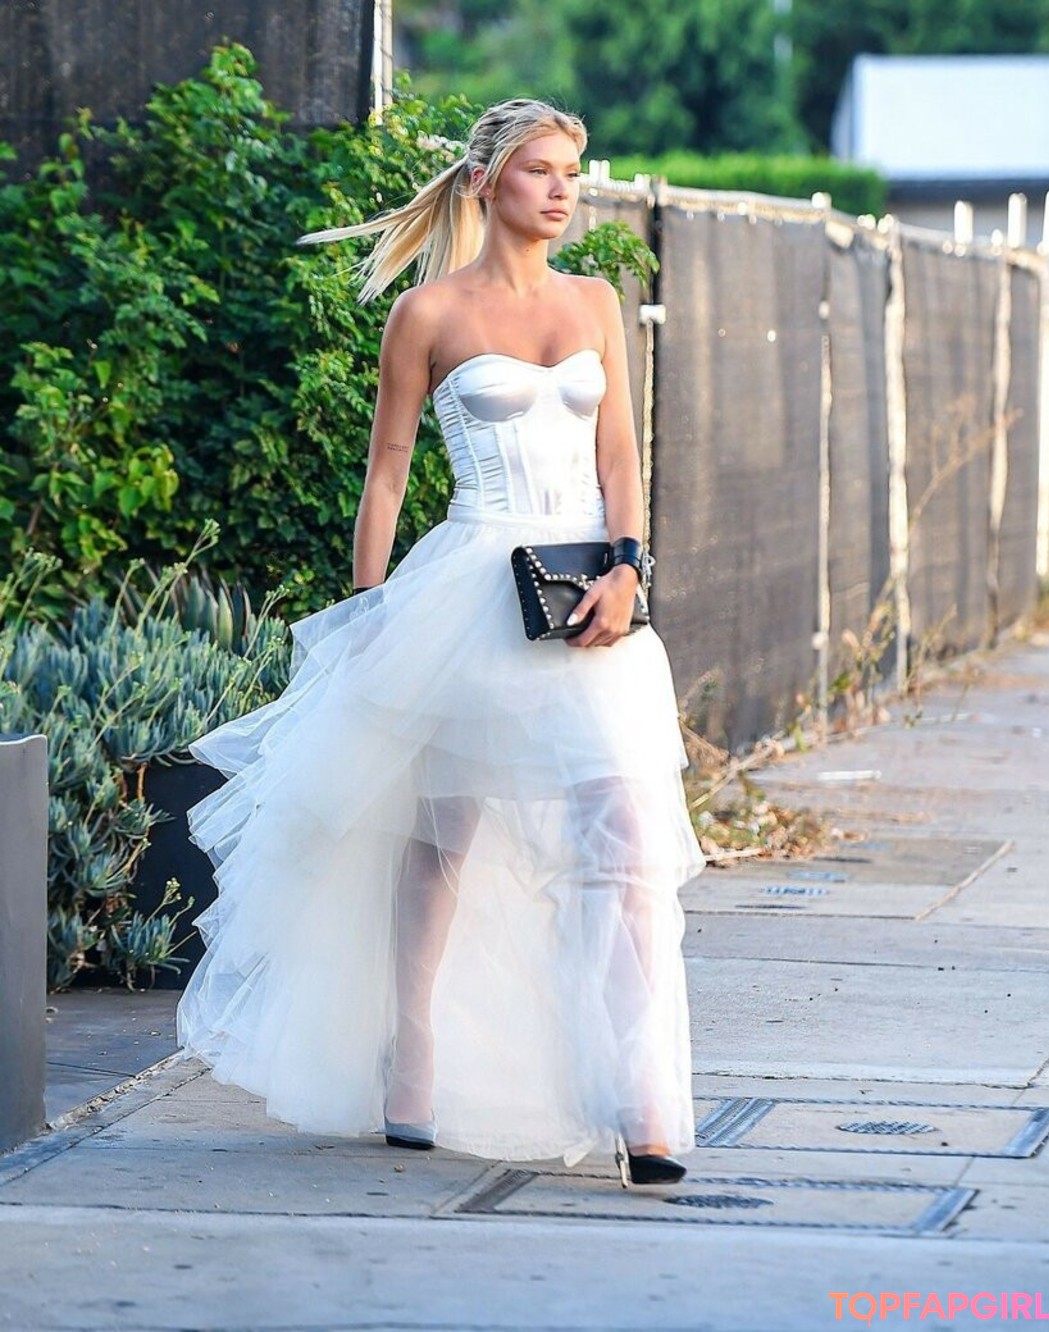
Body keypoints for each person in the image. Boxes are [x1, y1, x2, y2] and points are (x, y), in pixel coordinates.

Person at [176, 98, 705, 1187]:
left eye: (572, 171)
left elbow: (620, 456)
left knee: (626, 834)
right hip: (466, 590)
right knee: (441, 835)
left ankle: (640, 1098)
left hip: (586, 593)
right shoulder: (427, 314)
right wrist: (370, 610)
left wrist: (629, 568)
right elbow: (387, 472)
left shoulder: (597, 301)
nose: (562, 190)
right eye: (540, 170)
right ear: (486, 182)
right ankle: (411, 1059)